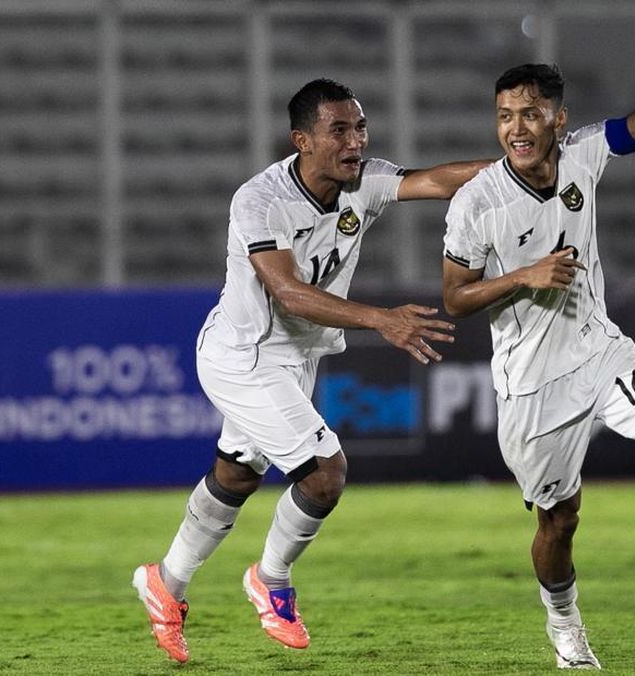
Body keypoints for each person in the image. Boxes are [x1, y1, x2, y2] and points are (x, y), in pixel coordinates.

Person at [132, 78, 488, 664]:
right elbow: (289, 293)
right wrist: (381, 319)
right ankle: (271, 579)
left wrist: (515, 168)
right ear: (302, 140)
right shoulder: (260, 200)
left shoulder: (364, 183)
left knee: (237, 475)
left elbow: (437, 180)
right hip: (245, 356)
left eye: (360, 128)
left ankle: (164, 584)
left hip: (295, 359)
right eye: (339, 130)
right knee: (325, 473)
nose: (356, 142)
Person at [441, 64, 635, 670]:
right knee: (559, 520)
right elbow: (454, 298)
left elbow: (628, 129)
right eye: (505, 117)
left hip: (599, 348)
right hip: (532, 384)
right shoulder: (477, 202)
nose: (516, 129)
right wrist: (525, 276)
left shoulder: (580, 155)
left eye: (530, 115)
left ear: (558, 119)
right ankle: (565, 626)